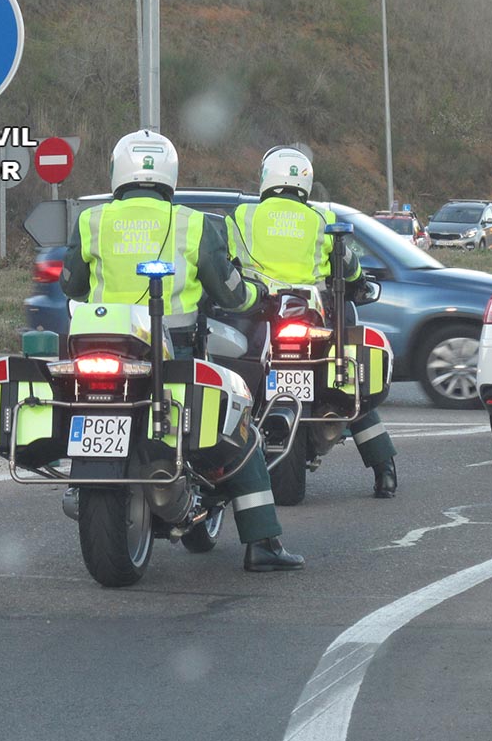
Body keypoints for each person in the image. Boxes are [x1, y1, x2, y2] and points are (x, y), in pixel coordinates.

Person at [60, 130, 303, 572]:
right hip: (175, 355)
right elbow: (230, 294)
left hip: (97, 349)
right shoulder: (195, 224)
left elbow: (70, 284)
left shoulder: (91, 221)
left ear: (117, 171)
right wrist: (257, 298)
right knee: (240, 433)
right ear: (170, 174)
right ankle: (263, 542)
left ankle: (83, 479)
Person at [228, 146, 398, 498]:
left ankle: (230, 470)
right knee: (351, 390)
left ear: (265, 178)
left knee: (238, 387)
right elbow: (349, 267)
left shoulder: (242, 216)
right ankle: (384, 471)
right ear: (305, 183)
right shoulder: (320, 219)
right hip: (312, 319)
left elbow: (225, 265)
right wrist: (359, 283)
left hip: (261, 319)